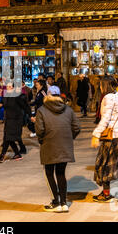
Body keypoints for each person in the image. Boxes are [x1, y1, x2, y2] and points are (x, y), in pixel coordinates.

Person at [35, 85, 80, 213]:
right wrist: (69, 138)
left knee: (49, 173)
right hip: (64, 145)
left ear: (48, 96)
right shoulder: (68, 110)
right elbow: (76, 127)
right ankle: (64, 202)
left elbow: (40, 130)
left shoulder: (42, 110)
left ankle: (56, 202)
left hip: (49, 145)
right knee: (61, 173)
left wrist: (41, 140)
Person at [0, 82, 32, 162]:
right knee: (8, 137)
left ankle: (2, 155)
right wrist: (1, 104)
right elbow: (4, 103)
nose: (8, 88)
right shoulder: (5, 95)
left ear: (13, 88)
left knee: (8, 137)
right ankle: (17, 153)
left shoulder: (17, 96)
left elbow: (25, 106)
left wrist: (30, 115)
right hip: (8, 119)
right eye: (7, 86)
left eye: (10, 87)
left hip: (16, 120)